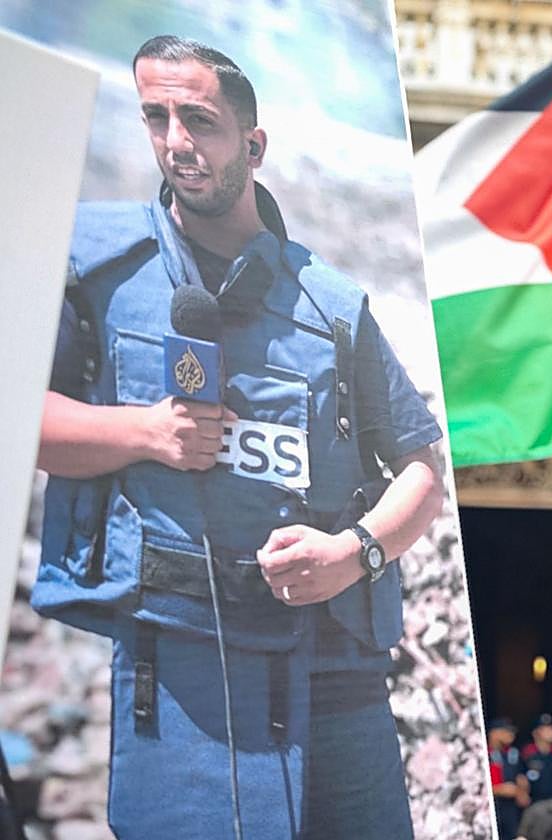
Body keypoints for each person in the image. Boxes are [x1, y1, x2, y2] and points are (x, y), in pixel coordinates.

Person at [33, 35, 443, 839]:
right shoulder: (94, 265)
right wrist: (144, 431)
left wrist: (352, 553)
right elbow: (28, 423)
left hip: (333, 678)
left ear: (253, 145)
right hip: (176, 666)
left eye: (200, 120)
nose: (176, 141)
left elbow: (422, 466)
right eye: (158, 116)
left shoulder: (332, 304)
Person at [491, 717, 530, 840]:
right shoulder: (483, 752)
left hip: (512, 809)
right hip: (493, 805)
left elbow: (521, 776)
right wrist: (497, 789)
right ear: (494, 733)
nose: (511, 734)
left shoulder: (513, 753)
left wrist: (522, 790)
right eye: (506, 731)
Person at [521, 712, 552, 802]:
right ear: (535, 733)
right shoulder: (527, 752)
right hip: (532, 800)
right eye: (546, 729)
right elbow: (520, 775)